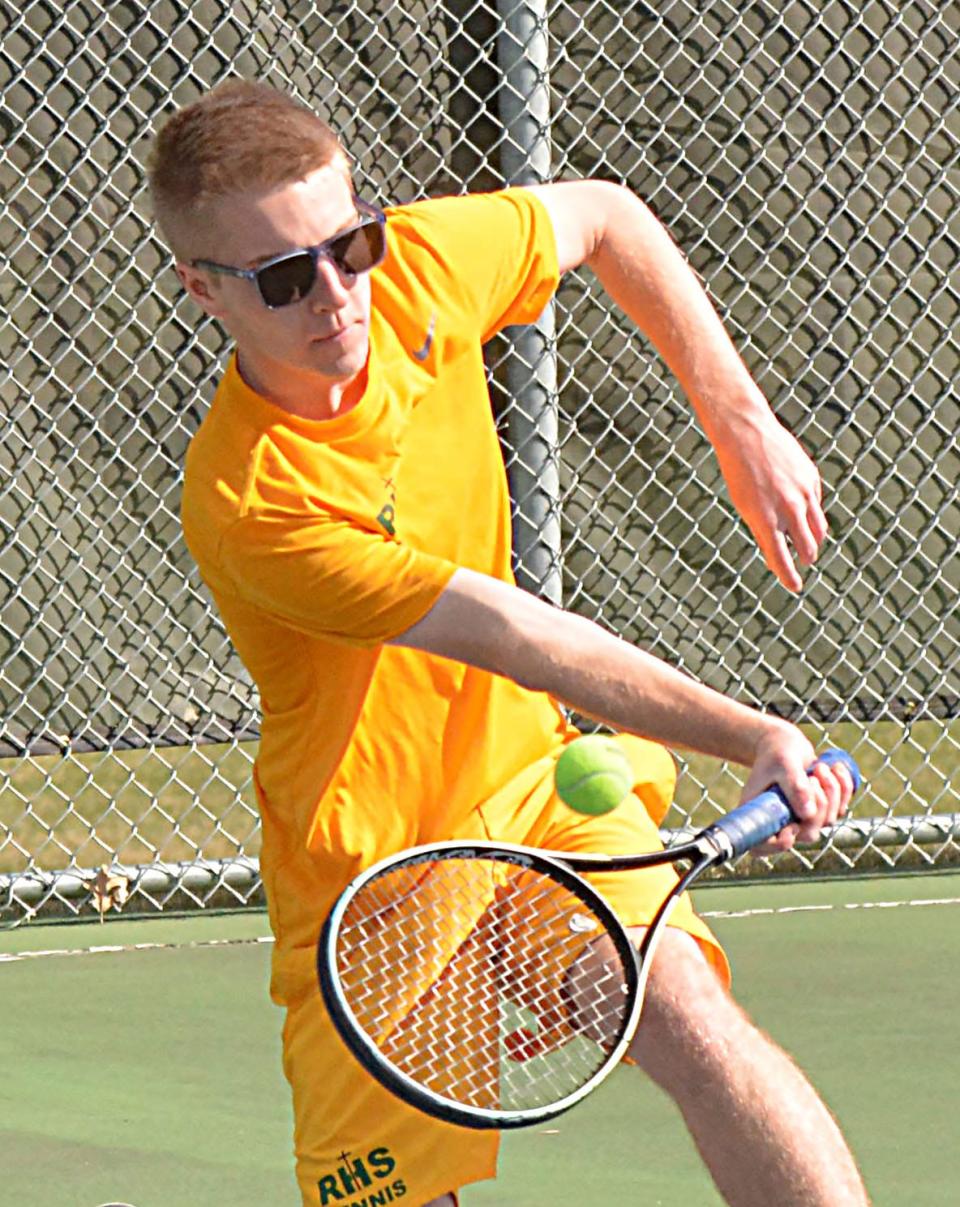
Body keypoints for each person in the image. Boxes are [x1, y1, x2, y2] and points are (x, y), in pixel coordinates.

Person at [148, 80, 869, 1207]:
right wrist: (750, 732)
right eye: (287, 279)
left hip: (532, 790)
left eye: (351, 245)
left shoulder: (422, 272)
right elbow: (521, 636)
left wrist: (739, 417)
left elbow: (605, 216)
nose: (338, 296)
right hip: (370, 879)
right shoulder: (253, 506)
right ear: (202, 289)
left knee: (687, 1016)